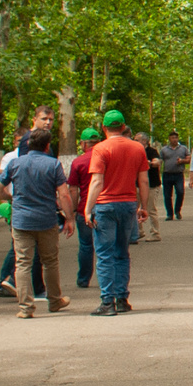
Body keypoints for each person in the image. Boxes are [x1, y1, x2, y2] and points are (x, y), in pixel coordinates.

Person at [0, 127, 75, 318]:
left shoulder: (16, 164)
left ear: (27, 144)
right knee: (50, 261)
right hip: (46, 219)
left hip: (21, 221)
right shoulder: (53, 165)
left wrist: (10, 198)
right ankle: (55, 300)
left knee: (23, 263)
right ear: (47, 146)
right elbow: (64, 194)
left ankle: (26, 307)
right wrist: (69, 218)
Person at [83, 110, 147, 315]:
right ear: (123, 127)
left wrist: (87, 208)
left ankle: (107, 302)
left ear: (104, 128)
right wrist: (143, 206)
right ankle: (121, 298)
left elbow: (96, 181)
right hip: (128, 204)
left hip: (105, 206)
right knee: (122, 252)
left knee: (104, 254)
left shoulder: (100, 149)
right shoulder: (137, 148)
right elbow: (143, 180)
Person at [0, 107, 58, 301]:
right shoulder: (29, 140)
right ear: (34, 119)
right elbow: (27, 167)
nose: (48, 122)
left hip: (35, 200)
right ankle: (19, 284)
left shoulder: (44, 140)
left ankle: (13, 284)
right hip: (30, 200)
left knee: (26, 247)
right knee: (28, 250)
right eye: (44, 118)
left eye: (51, 119)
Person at [66, 126, 100, 292]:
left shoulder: (78, 162)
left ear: (83, 144)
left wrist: (71, 212)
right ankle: (108, 277)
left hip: (84, 209)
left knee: (86, 246)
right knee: (108, 244)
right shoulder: (107, 158)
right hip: (105, 206)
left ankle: (84, 279)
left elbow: (73, 189)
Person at [159, 132, 191, 222]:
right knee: (167, 195)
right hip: (167, 174)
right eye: (172, 138)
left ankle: (177, 210)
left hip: (178, 174)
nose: (174, 139)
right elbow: (160, 161)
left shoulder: (183, 148)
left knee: (180, 192)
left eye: (176, 138)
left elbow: (189, 160)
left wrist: (182, 161)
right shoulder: (164, 149)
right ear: (169, 139)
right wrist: (158, 173)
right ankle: (169, 213)